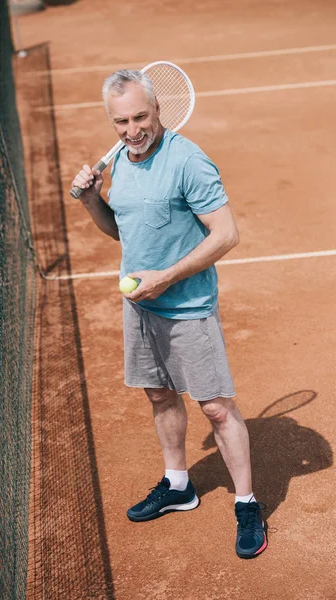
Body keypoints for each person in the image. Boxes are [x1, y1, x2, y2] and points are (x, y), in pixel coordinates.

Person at [72, 69, 267, 559]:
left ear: (159, 110)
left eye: (141, 116)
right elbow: (124, 231)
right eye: (121, 121)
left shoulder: (188, 161)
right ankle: (179, 484)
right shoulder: (120, 159)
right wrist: (94, 199)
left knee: (216, 408)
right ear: (111, 120)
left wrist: (166, 277)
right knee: (160, 395)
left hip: (187, 307)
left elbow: (226, 235)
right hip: (141, 306)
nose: (133, 129)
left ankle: (247, 502)